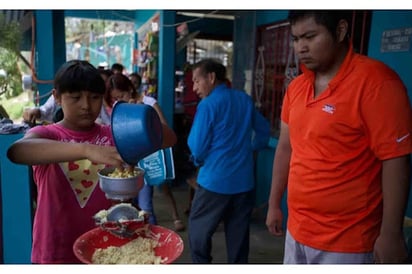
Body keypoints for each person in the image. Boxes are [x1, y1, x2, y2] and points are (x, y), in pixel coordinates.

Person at [265, 10, 412, 264]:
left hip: (349, 241)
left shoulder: (376, 83)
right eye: (296, 38)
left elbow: (396, 160)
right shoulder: (296, 88)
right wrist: (274, 203)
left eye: (310, 36)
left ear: (341, 31)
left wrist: (391, 233)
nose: (301, 47)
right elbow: (286, 149)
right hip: (297, 229)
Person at [6, 60, 128, 263]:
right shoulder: (47, 134)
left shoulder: (113, 135)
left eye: (95, 98)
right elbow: (17, 151)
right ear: (57, 97)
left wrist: (144, 115)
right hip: (57, 248)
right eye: (75, 97)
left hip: (107, 246)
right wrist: (86, 150)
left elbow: (167, 138)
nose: (86, 106)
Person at [187, 58, 271, 263]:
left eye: (197, 81)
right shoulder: (244, 99)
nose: (194, 87)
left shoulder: (207, 105)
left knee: (198, 231)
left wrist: (198, 161)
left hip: (214, 183)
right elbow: (264, 132)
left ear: (212, 77)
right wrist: (251, 149)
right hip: (244, 182)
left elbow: (197, 147)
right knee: (238, 236)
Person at [98, 73, 184, 231]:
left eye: (121, 95)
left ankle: (154, 236)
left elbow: (166, 132)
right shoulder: (117, 110)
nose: (119, 101)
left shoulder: (148, 103)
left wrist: (141, 116)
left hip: (149, 161)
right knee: (129, 205)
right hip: (127, 163)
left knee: (147, 205)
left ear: (130, 89)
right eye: (115, 98)